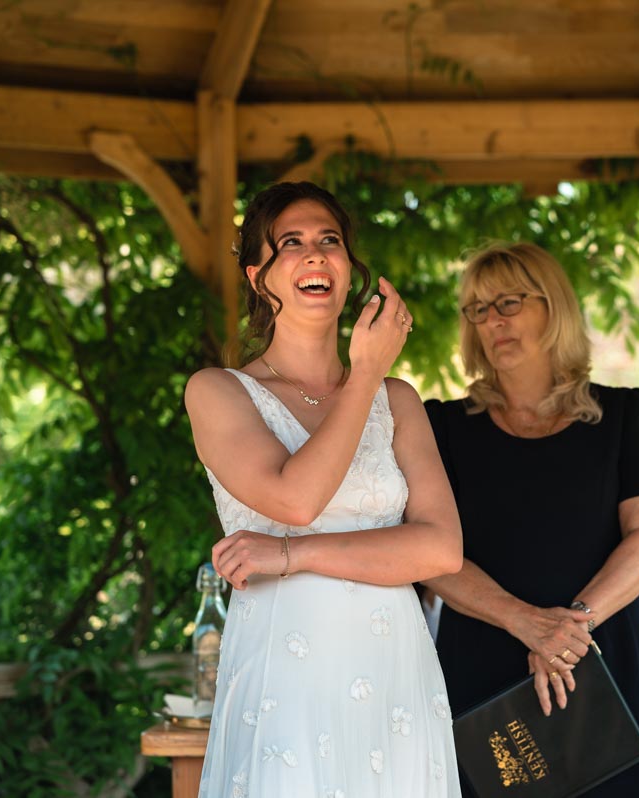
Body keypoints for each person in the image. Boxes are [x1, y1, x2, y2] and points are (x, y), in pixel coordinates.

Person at [184, 181, 464, 797]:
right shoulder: (217, 391)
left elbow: (441, 551)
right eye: (291, 244)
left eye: (328, 240)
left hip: (396, 676)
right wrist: (365, 371)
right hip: (287, 677)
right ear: (260, 278)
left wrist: (292, 554)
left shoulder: (399, 401)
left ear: (348, 267)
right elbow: (296, 500)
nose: (314, 254)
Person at [423, 242, 639, 797]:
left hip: (598, 654)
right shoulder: (440, 427)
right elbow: (428, 556)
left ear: (553, 307)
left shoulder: (623, 415)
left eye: (508, 302)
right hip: (482, 662)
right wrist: (525, 623)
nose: (492, 321)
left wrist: (567, 630)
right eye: (478, 310)